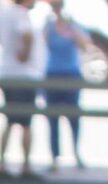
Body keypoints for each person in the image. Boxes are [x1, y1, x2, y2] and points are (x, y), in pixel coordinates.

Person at [0, 0, 46, 179]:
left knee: (9, 119)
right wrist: (24, 54)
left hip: (6, 72)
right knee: (26, 124)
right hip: (23, 75)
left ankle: (1, 163)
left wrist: (4, 44)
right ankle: (26, 166)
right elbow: (27, 35)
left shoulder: (2, 13)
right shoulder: (21, 15)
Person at [39, 5, 86, 170]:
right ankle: (54, 157)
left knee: (74, 117)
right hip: (53, 74)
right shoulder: (48, 26)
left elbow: (85, 45)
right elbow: (40, 46)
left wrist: (71, 27)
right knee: (52, 118)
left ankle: (76, 152)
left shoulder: (74, 26)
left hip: (71, 74)